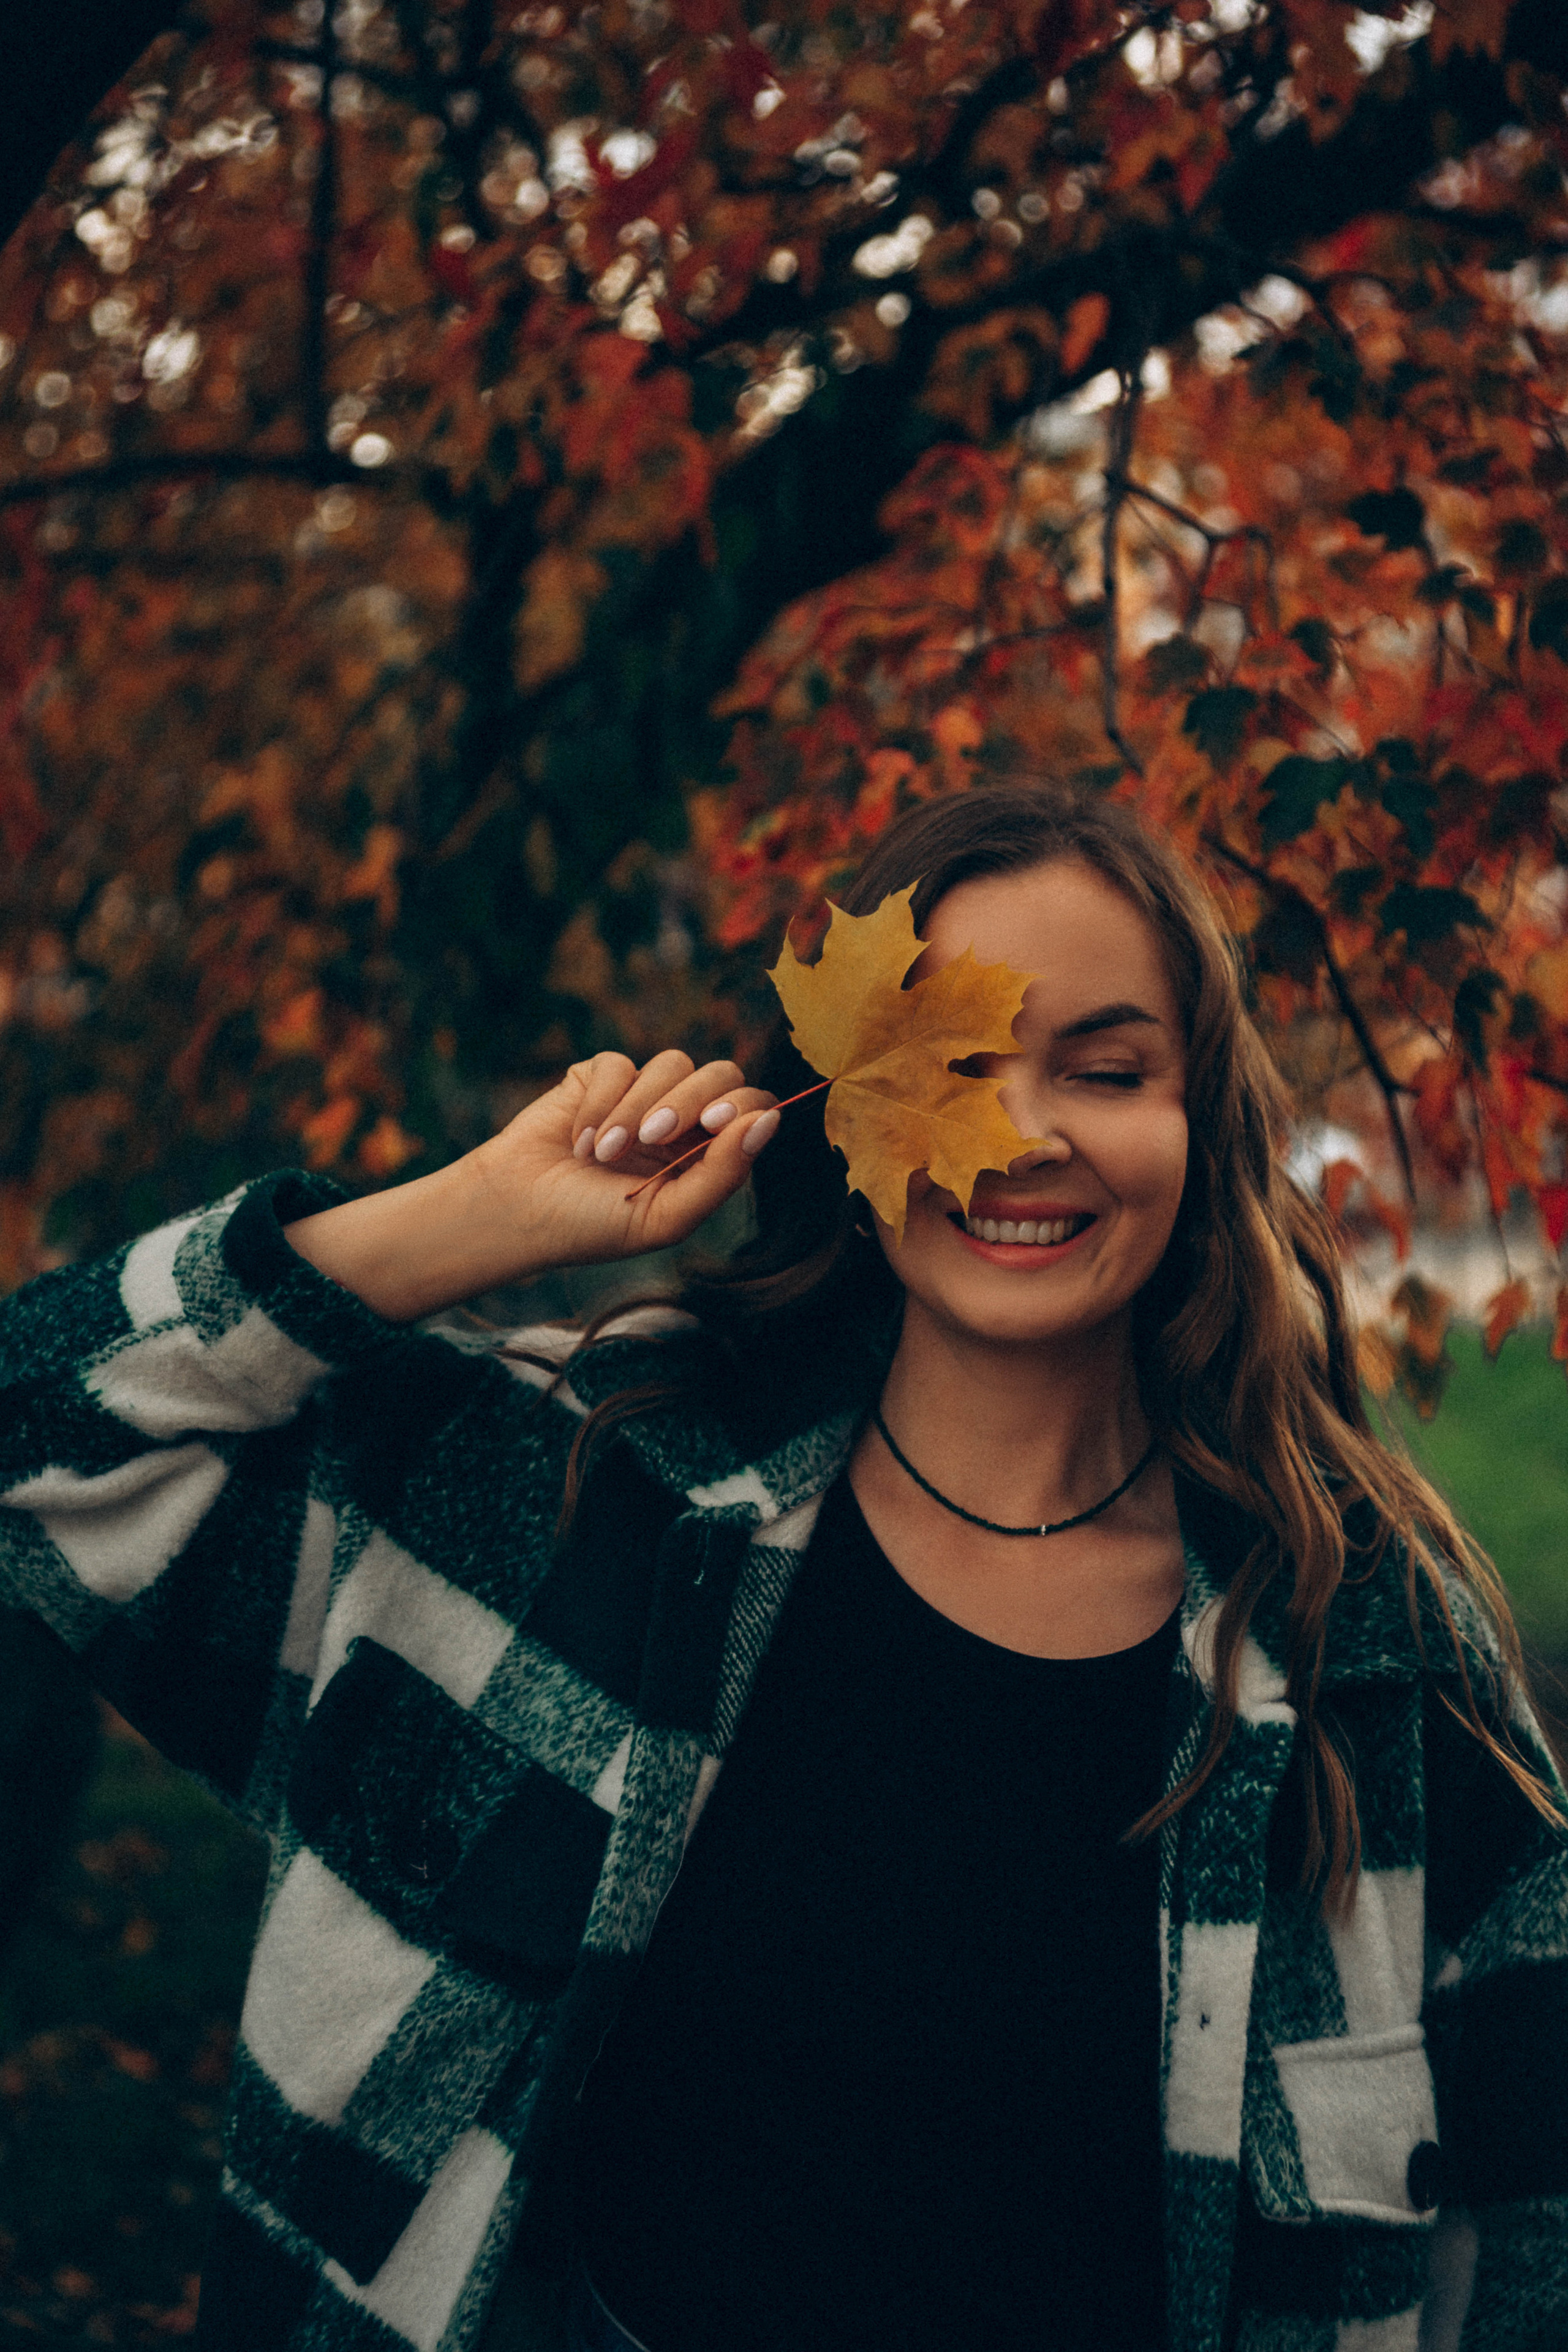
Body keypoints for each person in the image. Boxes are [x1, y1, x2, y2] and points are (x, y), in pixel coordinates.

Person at [0, 785, 1564, 2352]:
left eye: (1103, 1069)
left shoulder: (1365, 1634)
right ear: (835, 1115)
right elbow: (40, 1441)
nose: (1017, 1135)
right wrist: (467, 1218)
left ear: (1197, 1121)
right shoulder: (572, 1493)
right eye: (942, 1072)